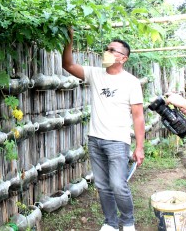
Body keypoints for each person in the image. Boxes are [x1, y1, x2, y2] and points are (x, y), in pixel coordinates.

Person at [62, 28, 145, 231]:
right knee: (102, 186)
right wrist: (69, 39)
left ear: (123, 58)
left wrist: (140, 147)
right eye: (106, 48)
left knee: (118, 184)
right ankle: (110, 222)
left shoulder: (131, 82)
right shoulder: (95, 74)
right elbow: (68, 65)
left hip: (118, 140)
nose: (107, 52)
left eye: (112, 50)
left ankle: (128, 222)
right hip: (95, 139)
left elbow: (138, 116)